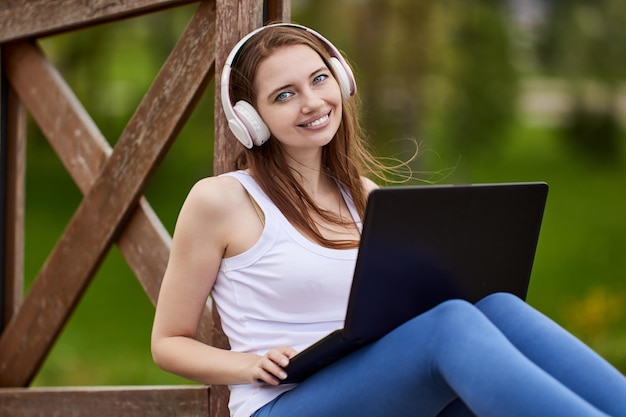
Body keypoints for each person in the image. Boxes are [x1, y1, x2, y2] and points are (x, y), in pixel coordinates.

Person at [151, 23, 626, 417]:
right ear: (251, 120)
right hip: (283, 404)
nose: (313, 102)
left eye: (319, 79)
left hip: (374, 387)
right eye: (284, 95)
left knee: (496, 308)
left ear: (341, 79)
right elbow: (168, 342)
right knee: (451, 325)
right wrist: (249, 364)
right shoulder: (221, 201)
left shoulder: (364, 196)